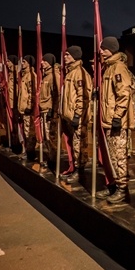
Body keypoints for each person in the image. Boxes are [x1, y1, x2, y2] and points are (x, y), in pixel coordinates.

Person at [94, 36, 135, 203]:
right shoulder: (109, 68)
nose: (101, 51)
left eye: (104, 49)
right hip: (109, 120)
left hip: (116, 121)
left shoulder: (118, 68)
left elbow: (123, 93)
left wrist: (118, 116)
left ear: (112, 49)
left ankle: (122, 189)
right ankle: (113, 185)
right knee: (111, 157)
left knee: (119, 157)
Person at [60, 46, 92, 182]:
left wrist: (77, 115)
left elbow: (83, 96)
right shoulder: (70, 72)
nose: (65, 57)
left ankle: (79, 171)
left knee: (80, 145)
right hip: (69, 116)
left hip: (77, 118)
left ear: (75, 56)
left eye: (68, 55)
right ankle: (75, 168)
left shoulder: (79, 73)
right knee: (74, 144)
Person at [39, 53, 61, 159]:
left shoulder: (54, 75)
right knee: (45, 136)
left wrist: (53, 110)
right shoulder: (46, 76)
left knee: (50, 135)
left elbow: (56, 94)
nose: (42, 63)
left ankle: (53, 158)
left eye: (45, 61)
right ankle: (50, 155)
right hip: (43, 109)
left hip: (49, 110)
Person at [19, 55, 38, 156]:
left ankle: (30, 152)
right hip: (23, 109)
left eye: (24, 62)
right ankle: (26, 150)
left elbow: (32, 93)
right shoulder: (24, 75)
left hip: (28, 109)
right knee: (25, 131)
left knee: (29, 132)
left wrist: (29, 106)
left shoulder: (31, 76)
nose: (22, 64)